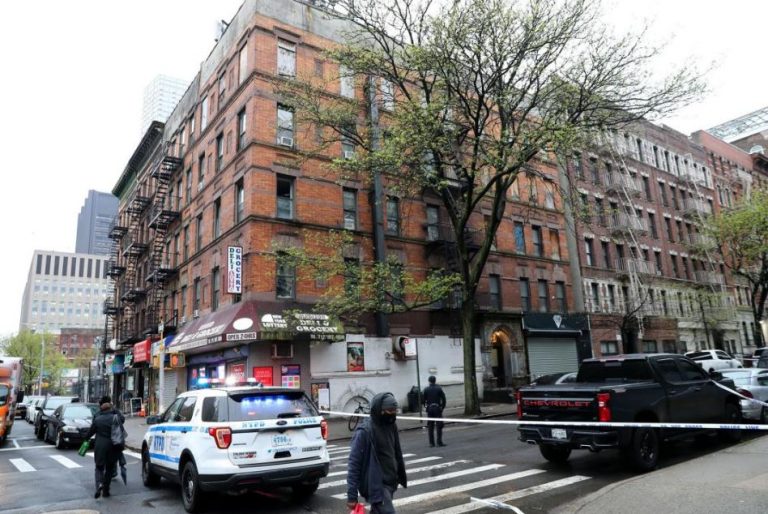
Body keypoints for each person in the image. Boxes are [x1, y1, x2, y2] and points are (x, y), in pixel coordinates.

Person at [346, 392, 408, 514]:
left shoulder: (391, 425)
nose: (393, 413)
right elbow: (354, 464)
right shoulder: (364, 431)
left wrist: (399, 474)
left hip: (390, 482)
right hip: (376, 484)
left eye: (395, 410)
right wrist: (351, 496)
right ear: (380, 410)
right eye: (390, 410)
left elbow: (396, 451)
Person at [86, 395, 125, 498]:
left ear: (101, 407)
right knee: (109, 469)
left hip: (100, 446)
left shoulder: (97, 417)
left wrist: (85, 440)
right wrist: (115, 409)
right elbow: (122, 420)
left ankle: (99, 484)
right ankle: (106, 490)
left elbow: (90, 432)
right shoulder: (115, 417)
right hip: (113, 446)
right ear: (110, 407)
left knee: (99, 468)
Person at [422, 375, 447, 447]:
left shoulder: (426, 389)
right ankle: (439, 442)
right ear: (435, 381)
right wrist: (442, 407)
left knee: (430, 426)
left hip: (430, 408)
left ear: (429, 381)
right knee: (439, 425)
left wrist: (426, 407)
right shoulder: (439, 388)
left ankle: (431, 443)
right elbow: (444, 399)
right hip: (437, 408)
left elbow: (423, 400)